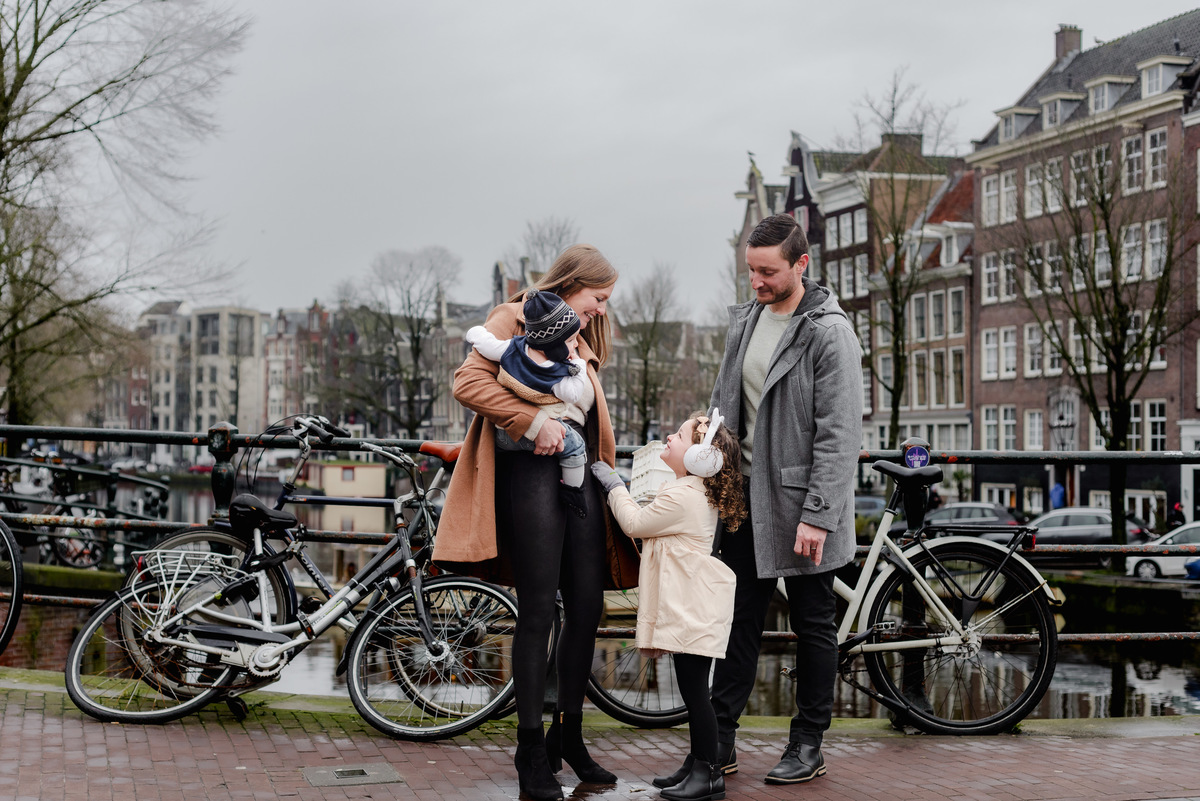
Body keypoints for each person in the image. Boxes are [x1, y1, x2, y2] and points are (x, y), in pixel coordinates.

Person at [432, 244, 640, 801]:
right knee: (538, 609)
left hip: (582, 476)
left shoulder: (585, 334)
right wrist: (530, 422)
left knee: (588, 606)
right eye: (599, 297)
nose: (602, 309)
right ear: (571, 284)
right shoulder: (515, 315)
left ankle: (567, 735)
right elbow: (467, 382)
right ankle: (529, 749)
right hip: (531, 476)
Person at [708, 213, 863, 785]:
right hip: (744, 499)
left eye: (767, 272)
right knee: (738, 621)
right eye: (750, 270)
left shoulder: (829, 332)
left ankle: (808, 743)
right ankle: (718, 742)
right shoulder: (747, 321)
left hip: (802, 506)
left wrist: (818, 515)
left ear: (801, 264)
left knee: (814, 622)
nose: (756, 281)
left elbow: (840, 434)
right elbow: (726, 405)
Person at [591, 409, 743, 801]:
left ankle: (708, 774)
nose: (670, 438)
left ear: (699, 456)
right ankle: (696, 763)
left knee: (695, 693)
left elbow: (635, 524)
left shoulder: (682, 495)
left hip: (690, 606)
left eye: (679, 435)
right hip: (693, 604)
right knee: (694, 690)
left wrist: (614, 485)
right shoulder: (693, 491)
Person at [464, 288, 590, 517]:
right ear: (553, 344)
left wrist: (475, 333)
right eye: (571, 341)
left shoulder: (511, 349)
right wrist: (579, 366)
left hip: (503, 434)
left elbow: (486, 344)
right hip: (532, 435)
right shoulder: (553, 374)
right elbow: (572, 394)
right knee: (575, 447)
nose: (575, 346)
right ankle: (574, 492)